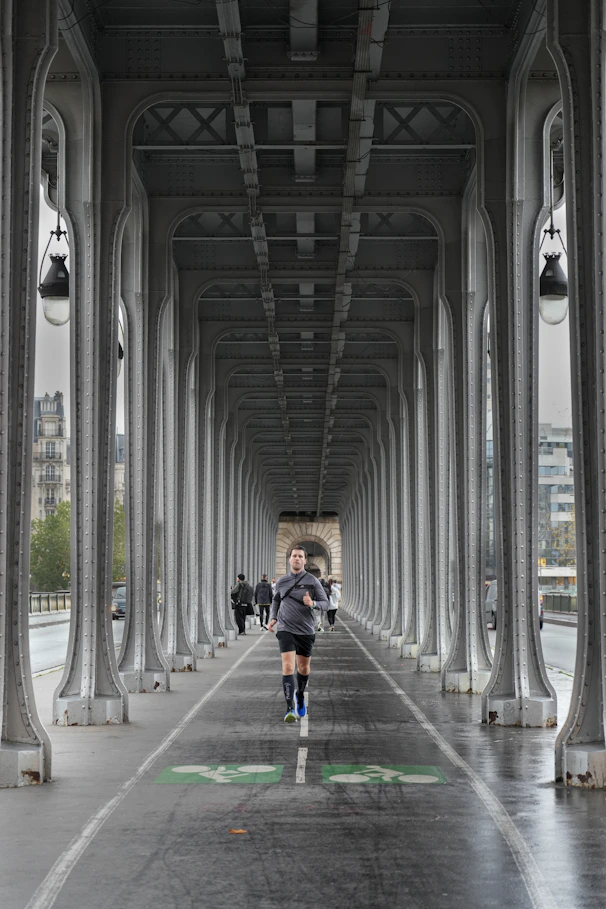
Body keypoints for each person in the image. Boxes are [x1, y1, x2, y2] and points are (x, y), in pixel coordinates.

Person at [268, 545, 329, 722]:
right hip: (286, 628)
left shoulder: (312, 581)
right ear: (289, 559)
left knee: (303, 668)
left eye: (300, 556)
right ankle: (289, 709)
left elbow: (325, 604)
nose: (296, 559)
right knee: (287, 667)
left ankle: (300, 695)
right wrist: (273, 617)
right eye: (294, 556)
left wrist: (313, 604)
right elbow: (276, 600)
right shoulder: (281, 582)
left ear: (304, 560)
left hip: (305, 630)